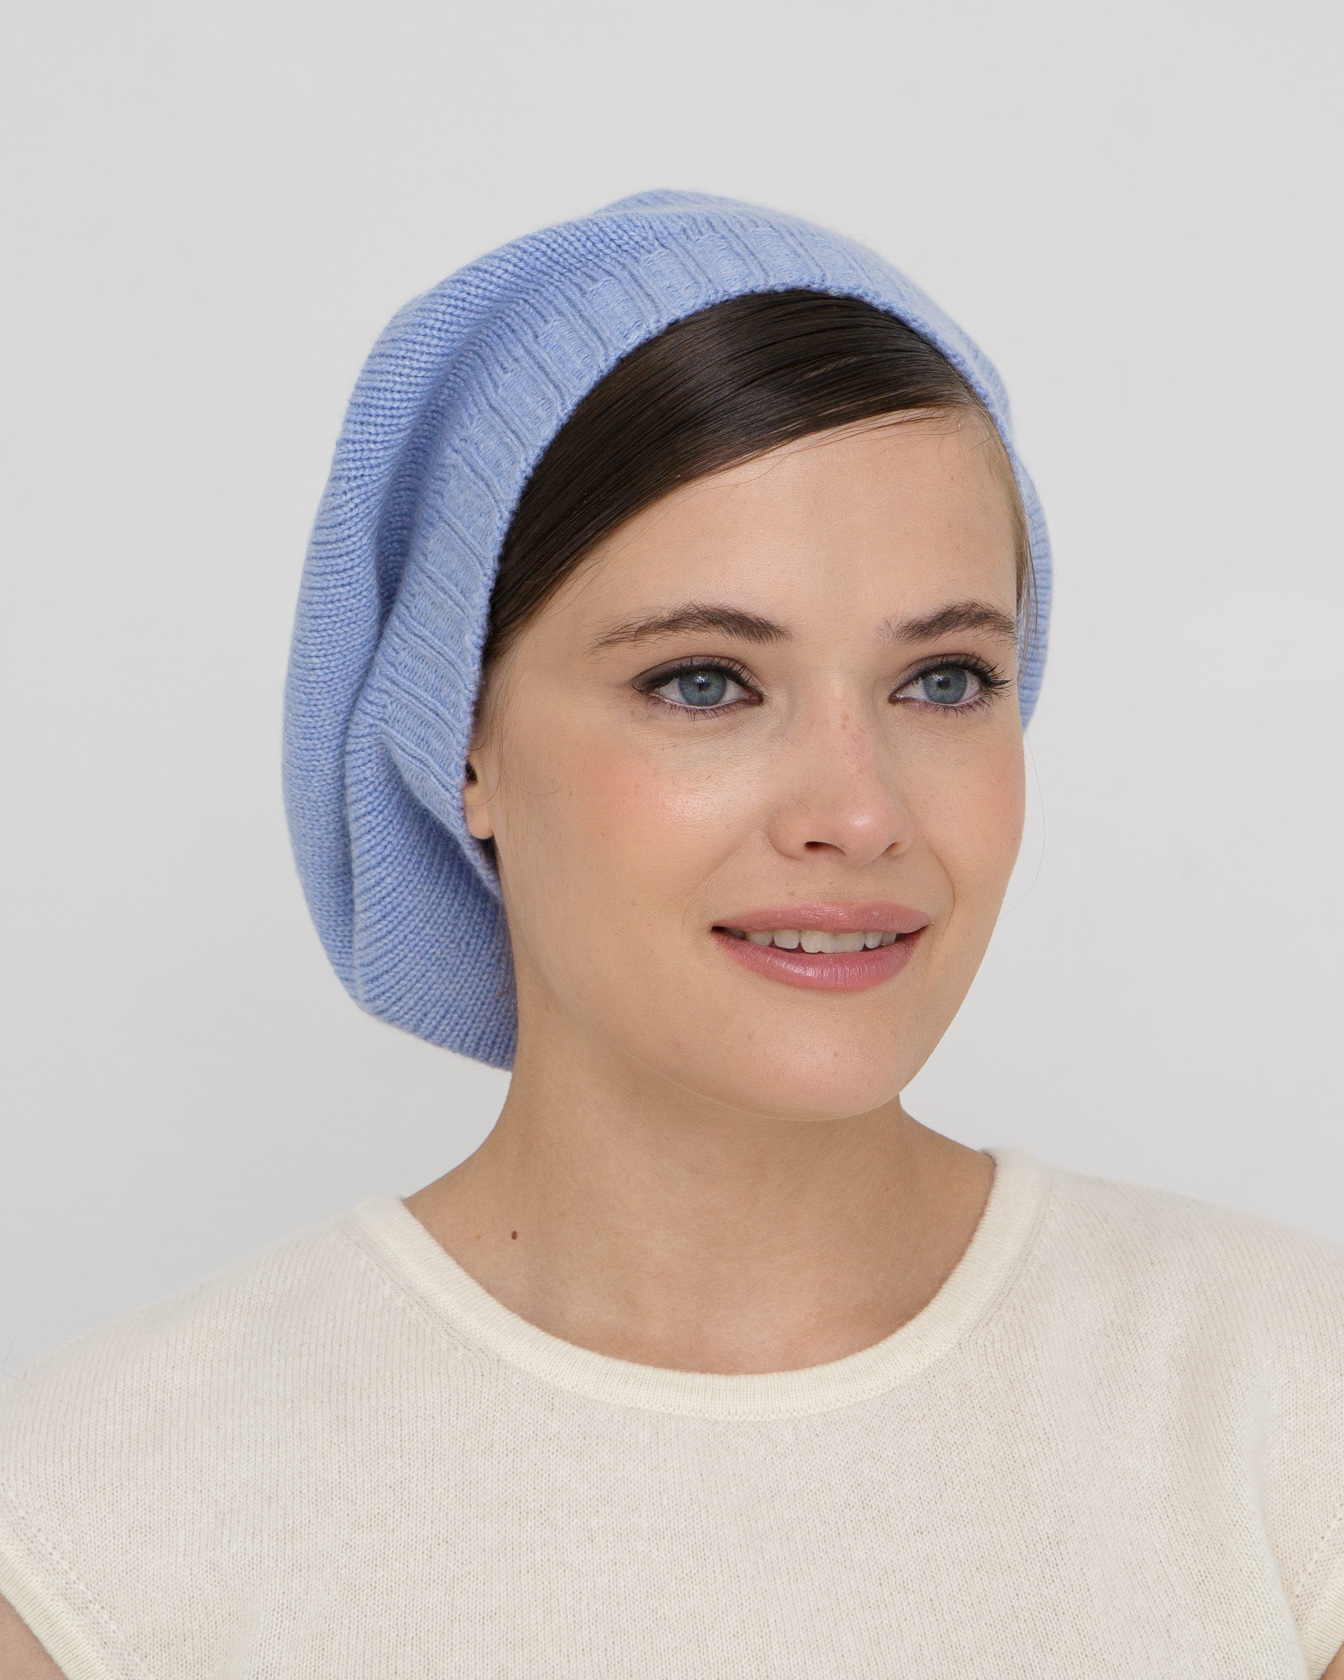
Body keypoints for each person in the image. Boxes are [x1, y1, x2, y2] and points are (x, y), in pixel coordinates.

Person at [1, 191, 1340, 1680]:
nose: (859, 812)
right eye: (704, 682)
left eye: (945, 680)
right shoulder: (99, 1533)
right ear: (460, 739)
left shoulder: (1294, 1420)